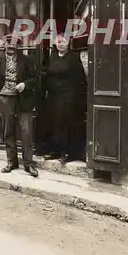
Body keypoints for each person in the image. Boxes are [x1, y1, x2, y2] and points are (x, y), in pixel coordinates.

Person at [0, 34, 39, 177]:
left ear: (18, 46)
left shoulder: (26, 60)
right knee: (8, 130)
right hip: (5, 100)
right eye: (8, 43)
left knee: (26, 131)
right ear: (4, 44)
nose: (11, 46)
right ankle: (11, 162)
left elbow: (35, 78)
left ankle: (28, 164)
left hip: (23, 100)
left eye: (14, 44)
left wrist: (25, 84)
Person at [45, 34, 87, 164]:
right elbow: (48, 74)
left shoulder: (73, 58)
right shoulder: (52, 57)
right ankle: (55, 150)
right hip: (54, 96)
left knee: (68, 124)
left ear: (68, 43)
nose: (60, 44)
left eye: (63, 42)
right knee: (55, 123)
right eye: (58, 42)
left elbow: (79, 77)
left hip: (69, 97)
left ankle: (69, 153)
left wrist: (75, 96)